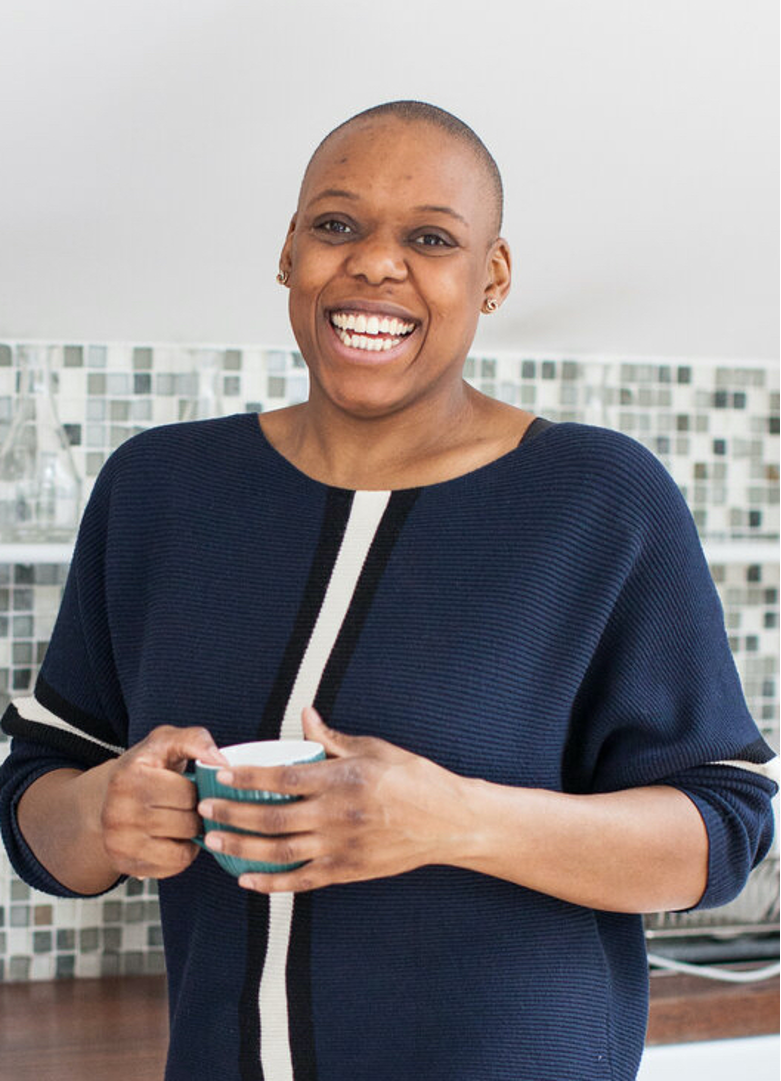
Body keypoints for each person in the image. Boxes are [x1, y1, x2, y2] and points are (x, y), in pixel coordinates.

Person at [0, 100, 777, 1081]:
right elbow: (37, 805)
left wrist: (455, 818)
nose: (373, 263)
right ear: (288, 253)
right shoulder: (161, 490)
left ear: (490, 278)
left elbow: (723, 830)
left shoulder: (596, 501)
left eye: (430, 237)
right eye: (336, 225)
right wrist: (105, 808)